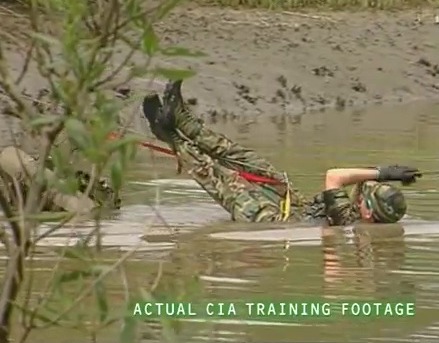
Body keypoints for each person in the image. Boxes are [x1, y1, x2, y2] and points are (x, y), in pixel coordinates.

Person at [141, 79, 422, 226]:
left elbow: (334, 176)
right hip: (292, 203)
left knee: (216, 173)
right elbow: (360, 185)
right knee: (245, 158)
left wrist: (384, 171)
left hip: (269, 218)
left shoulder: (348, 222)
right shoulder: (366, 217)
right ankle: (180, 120)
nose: (364, 192)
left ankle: (169, 134)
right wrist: (392, 177)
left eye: (367, 199)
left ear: (370, 215)